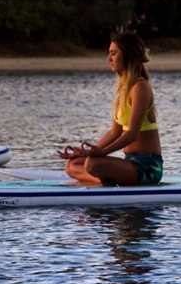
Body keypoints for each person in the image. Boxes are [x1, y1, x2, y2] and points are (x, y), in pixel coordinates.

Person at [59, 32, 163, 186]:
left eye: (114, 53)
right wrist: (88, 152)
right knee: (73, 164)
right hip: (129, 163)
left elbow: (132, 134)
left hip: (147, 167)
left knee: (93, 164)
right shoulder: (123, 89)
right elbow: (115, 132)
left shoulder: (140, 87)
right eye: (109, 53)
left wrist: (101, 153)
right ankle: (105, 180)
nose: (109, 59)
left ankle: (104, 179)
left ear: (128, 55)